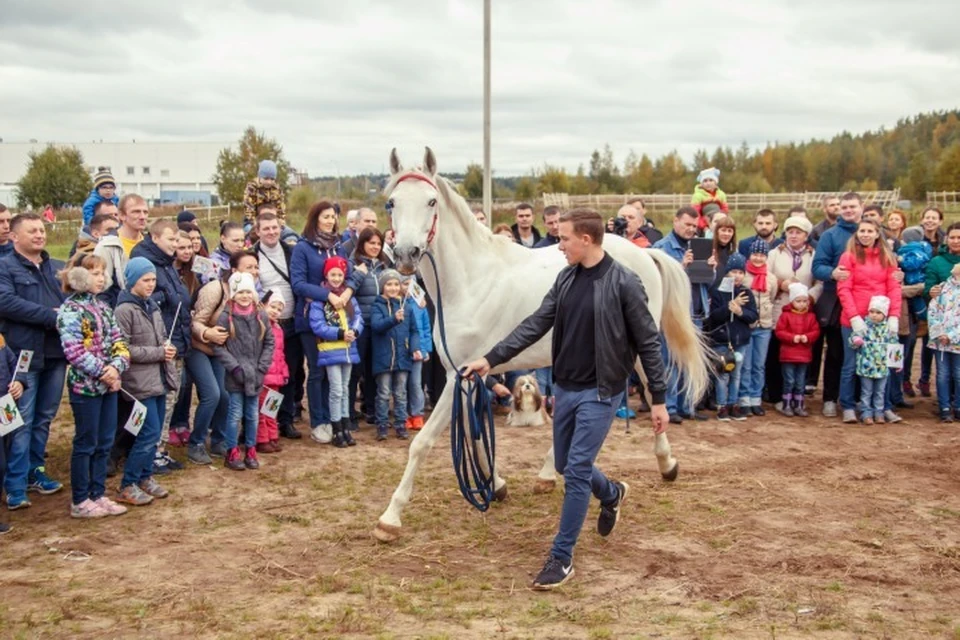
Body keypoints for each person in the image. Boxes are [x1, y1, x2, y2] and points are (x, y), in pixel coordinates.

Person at [461, 208, 668, 590]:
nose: (559, 245)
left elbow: (649, 342)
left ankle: (562, 557)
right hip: (565, 388)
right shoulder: (567, 277)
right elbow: (536, 323)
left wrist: (658, 398)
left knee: (574, 470)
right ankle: (611, 493)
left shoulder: (625, 283)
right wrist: (490, 360)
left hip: (601, 391)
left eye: (565, 238)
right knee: (566, 464)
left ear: (586, 240)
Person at [0, 213, 67, 509]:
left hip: (55, 352)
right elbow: (6, 302)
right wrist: (50, 315)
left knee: (45, 417)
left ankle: (35, 471)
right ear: (14, 236)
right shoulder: (5, 268)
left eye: (42, 229)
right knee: (21, 421)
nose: (40, 235)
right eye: (32, 231)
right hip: (23, 355)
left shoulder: (57, 268)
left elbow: (71, 301)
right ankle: (14, 485)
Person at [55, 255, 130, 518]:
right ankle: (80, 499)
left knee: (104, 442)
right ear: (79, 276)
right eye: (94, 273)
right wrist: (103, 372)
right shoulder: (70, 311)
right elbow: (74, 351)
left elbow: (119, 341)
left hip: (108, 386)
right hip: (85, 389)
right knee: (86, 443)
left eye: (102, 273)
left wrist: (117, 366)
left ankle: (98, 493)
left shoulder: (103, 307)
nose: (100, 278)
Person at [291, 201, 361, 444]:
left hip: (341, 317)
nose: (330, 221)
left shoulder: (339, 247)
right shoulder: (303, 248)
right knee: (318, 369)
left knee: (338, 371)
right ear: (315, 219)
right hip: (313, 317)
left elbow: (350, 276)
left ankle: (336, 419)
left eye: (333, 216)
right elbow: (298, 283)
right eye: (325, 216)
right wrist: (328, 295)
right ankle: (319, 421)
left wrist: (348, 292)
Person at [114, 257, 179, 505]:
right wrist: (159, 353)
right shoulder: (124, 311)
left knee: (154, 430)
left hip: (158, 378)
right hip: (138, 383)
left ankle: (145, 476)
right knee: (148, 433)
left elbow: (160, 338)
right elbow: (123, 348)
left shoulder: (152, 306)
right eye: (146, 280)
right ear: (132, 280)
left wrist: (167, 348)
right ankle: (127, 483)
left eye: (153, 279)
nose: (151, 284)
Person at [130, 220, 192, 467]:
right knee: (162, 401)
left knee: (170, 398)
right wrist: (163, 296)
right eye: (172, 240)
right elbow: (139, 298)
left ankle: (160, 449)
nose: (176, 245)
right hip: (159, 343)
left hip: (176, 340)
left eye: (177, 240)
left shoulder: (167, 264)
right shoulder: (146, 262)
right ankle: (150, 454)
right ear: (155, 238)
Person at [187, 252, 258, 464]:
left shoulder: (248, 294)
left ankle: (219, 439)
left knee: (226, 396)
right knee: (212, 394)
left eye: (256, 267)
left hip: (220, 351)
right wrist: (207, 333)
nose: (254, 272)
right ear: (235, 271)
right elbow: (194, 321)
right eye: (249, 267)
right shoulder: (215, 289)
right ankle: (196, 442)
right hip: (198, 347)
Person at [836, 218, 902, 424]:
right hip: (855, 320)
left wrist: (893, 316)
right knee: (850, 364)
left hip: (881, 322)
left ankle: (884, 406)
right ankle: (847, 405)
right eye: (861, 231)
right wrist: (855, 317)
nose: (865, 234)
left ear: (876, 234)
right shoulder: (848, 257)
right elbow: (844, 288)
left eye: (869, 231)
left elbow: (894, 287)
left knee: (887, 363)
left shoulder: (887, 258)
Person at [653, 206, 712, 423]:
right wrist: (681, 266)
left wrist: (709, 269)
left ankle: (688, 407)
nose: (691, 229)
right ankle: (669, 406)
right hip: (672, 313)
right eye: (687, 224)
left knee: (688, 360)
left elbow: (708, 283)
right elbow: (657, 282)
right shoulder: (661, 248)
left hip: (696, 310)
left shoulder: (700, 246)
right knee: (670, 361)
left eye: (694, 226)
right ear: (675, 221)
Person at [214, 272, 274, 471]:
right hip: (236, 375)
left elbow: (269, 342)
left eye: (248, 292)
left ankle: (251, 449)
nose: (245, 296)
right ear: (233, 294)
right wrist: (235, 367)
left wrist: (262, 368)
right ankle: (232, 451)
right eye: (240, 292)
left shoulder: (260, 315)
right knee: (235, 413)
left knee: (252, 414)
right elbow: (218, 347)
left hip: (256, 374)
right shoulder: (225, 317)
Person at [811, 192, 864, 418]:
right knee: (836, 353)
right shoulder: (830, 236)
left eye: (853, 206)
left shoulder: (871, 234)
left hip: (866, 302)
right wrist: (832, 272)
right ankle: (830, 398)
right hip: (837, 301)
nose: (849, 210)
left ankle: (860, 398)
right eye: (845, 207)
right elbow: (818, 267)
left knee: (864, 352)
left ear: (862, 207)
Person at [254, 209, 303, 439]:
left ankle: (286, 419)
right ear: (257, 231)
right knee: (268, 377)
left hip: (292, 320)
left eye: (275, 227)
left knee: (289, 375)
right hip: (267, 325)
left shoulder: (292, 252)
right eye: (266, 228)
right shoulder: (252, 256)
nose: (272, 232)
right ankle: (265, 423)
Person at [766, 216, 821, 409]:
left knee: (800, 353)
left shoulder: (814, 255)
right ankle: (776, 396)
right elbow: (767, 276)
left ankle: (797, 395)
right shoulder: (775, 254)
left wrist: (808, 297)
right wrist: (781, 284)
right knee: (776, 353)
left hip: (804, 312)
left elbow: (819, 282)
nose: (794, 236)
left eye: (798, 232)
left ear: (806, 235)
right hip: (779, 308)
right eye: (790, 232)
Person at [310, 257, 362, 448]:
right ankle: (337, 428)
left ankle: (346, 427)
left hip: (349, 349)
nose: (337, 278)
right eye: (333, 274)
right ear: (326, 275)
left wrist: (354, 332)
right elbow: (317, 325)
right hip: (331, 351)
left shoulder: (350, 298)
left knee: (346, 389)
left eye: (340, 274)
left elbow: (358, 318)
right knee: (336, 389)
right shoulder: (320, 299)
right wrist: (340, 333)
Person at [707, 254, 758, 421]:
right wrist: (729, 307)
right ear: (727, 273)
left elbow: (753, 316)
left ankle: (733, 404)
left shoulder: (747, 293)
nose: (737, 275)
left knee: (736, 374)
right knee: (723, 374)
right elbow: (713, 316)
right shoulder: (718, 292)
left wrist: (740, 312)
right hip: (722, 340)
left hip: (740, 341)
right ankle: (721, 406)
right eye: (733, 271)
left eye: (740, 272)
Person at [350, 227, 392, 428]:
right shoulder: (354, 265)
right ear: (362, 244)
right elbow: (349, 290)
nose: (375, 247)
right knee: (356, 370)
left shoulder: (384, 266)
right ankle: (349, 413)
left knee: (374, 370)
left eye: (378, 243)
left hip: (379, 325)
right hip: (360, 325)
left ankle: (372, 410)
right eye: (371, 243)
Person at [371, 269, 419, 441]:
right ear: (382, 286)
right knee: (383, 393)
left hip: (402, 357)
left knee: (400, 393)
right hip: (383, 358)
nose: (392, 288)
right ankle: (382, 425)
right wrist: (393, 319)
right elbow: (376, 326)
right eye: (389, 284)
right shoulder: (377, 306)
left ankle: (400, 424)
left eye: (396, 284)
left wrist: (414, 348)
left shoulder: (407, 307)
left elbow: (414, 331)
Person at [906, 207, 946, 397]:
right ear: (922, 220)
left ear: (940, 221)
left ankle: (924, 379)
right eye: (927, 217)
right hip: (914, 297)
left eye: (934, 218)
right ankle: (905, 378)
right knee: (911, 339)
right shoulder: (914, 240)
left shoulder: (945, 241)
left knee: (931, 341)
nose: (930, 221)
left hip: (935, 298)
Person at [738, 239, 778, 415]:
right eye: (755, 254)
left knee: (758, 365)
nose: (758, 258)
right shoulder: (744, 276)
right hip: (747, 325)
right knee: (745, 365)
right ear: (749, 255)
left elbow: (773, 297)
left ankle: (756, 398)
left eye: (762, 255)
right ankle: (744, 399)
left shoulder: (771, 278)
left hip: (765, 326)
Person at [774, 283, 820, 416]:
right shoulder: (785, 316)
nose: (802, 304)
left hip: (804, 355)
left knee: (800, 382)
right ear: (792, 301)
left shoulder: (811, 317)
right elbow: (779, 331)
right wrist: (792, 338)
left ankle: (799, 405)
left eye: (804, 301)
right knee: (789, 381)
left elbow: (815, 331)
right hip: (788, 355)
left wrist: (807, 337)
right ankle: (787, 404)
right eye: (798, 301)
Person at [848, 295, 895, 425]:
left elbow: (894, 345)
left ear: (884, 314)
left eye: (878, 312)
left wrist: (897, 361)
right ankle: (866, 413)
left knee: (880, 392)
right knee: (866, 392)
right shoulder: (863, 326)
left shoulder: (888, 329)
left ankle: (879, 413)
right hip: (866, 366)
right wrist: (855, 340)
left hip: (883, 367)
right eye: (872, 312)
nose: (874, 315)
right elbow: (852, 339)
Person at [95, 194, 148, 306]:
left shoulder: (151, 244)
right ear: (122, 216)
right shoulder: (107, 246)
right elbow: (101, 290)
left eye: (145, 212)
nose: (142, 216)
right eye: (136, 212)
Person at [256, 293, 290, 453]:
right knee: (262, 410)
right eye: (273, 306)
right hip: (263, 376)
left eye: (279, 309)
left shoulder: (278, 329)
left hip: (276, 377)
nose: (275, 311)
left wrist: (284, 372)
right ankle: (262, 439)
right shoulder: (259, 325)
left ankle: (272, 436)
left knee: (271, 408)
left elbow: (281, 353)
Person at [927, 263, 960, 422]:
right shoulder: (941, 288)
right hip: (940, 342)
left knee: (958, 375)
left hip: (957, 342)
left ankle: (958, 406)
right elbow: (933, 311)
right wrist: (939, 332)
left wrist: (952, 335)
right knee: (942, 375)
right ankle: (945, 407)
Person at [401, 275, 432, 431]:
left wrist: (426, 349)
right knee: (402, 385)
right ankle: (404, 414)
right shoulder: (397, 304)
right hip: (401, 351)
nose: (407, 287)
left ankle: (417, 414)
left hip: (418, 351)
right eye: (404, 284)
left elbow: (426, 329)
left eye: (409, 284)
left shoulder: (420, 306)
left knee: (415, 384)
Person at [0, 331, 19, 532]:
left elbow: (15, 366)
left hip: (4, 408)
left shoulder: (1, 340)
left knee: (2, 464)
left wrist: (20, 382)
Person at [242, 160, 285, 230]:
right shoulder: (252, 188)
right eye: (266, 178)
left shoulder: (277, 189)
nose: (269, 182)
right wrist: (256, 223)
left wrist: (281, 223)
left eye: (272, 179)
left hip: (272, 220)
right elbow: (248, 208)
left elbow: (280, 208)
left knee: (288, 233)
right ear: (259, 176)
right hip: (253, 221)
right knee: (253, 233)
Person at [690, 167, 728, 233]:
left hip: (719, 221)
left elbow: (725, 210)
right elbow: (695, 213)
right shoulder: (698, 195)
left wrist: (722, 221)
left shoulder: (721, 195)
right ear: (701, 184)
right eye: (705, 181)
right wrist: (704, 226)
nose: (708, 183)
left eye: (711, 180)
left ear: (715, 182)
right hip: (703, 223)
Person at [711, 215, 738, 288]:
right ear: (717, 231)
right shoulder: (709, 250)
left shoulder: (735, 253)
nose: (726, 234)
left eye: (730, 231)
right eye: (723, 230)